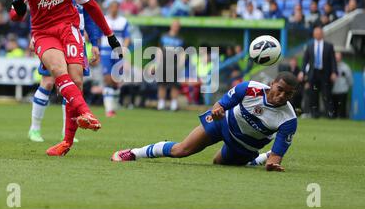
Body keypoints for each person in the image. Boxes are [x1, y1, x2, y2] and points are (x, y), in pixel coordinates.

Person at [9, 0, 122, 156]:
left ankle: (66, 142)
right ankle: (85, 114)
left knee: (77, 80)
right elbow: (14, 15)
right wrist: (19, 11)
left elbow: (91, 6)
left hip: (69, 29)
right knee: (57, 74)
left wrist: (108, 35)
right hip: (43, 33)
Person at [112, 72, 299, 172]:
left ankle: (258, 158)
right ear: (272, 83)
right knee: (181, 150)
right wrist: (218, 111)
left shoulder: (289, 119)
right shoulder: (249, 88)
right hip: (223, 124)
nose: (282, 96)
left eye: (288, 94)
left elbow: (277, 157)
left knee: (219, 163)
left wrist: (271, 164)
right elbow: (221, 104)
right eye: (279, 89)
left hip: (245, 146)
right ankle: (134, 153)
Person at [27, 0, 101, 143]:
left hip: (75, 36)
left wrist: (94, 41)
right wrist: (33, 36)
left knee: (75, 83)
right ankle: (34, 128)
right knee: (49, 82)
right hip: (52, 35)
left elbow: (91, 13)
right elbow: (37, 9)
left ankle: (66, 132)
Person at [99, 0, 131, 117]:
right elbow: (98, 35)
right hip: (106, 51)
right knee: (107, 78)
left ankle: (114, 106)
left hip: (118, 52)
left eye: (116, 7)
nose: (114, 9)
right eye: (112, 7)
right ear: (109, 8)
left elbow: (127, 37)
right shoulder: (103, 19)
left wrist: (124, 49)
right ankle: (109, 109)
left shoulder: (123, 22)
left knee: (116, 80)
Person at [298, 27, 337, 119]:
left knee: (326, 94)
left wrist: (334, 72)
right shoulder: (309, 45)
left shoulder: (329, 46)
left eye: (320, 33)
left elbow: (333, 60)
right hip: (313, 74)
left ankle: (329, 114)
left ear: (322, 34)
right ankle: (315, 114)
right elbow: (305, 61)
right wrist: (302, 72)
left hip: (325, 74)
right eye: (316, 33)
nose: (318, 35)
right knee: (313, 94)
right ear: (314, 34)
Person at [156, 19, 184, 111]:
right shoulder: (164, 37)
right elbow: (159, 50)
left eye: (177, 26)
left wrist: (180, 64)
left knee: (174, 85)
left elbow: (182, 53)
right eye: (174, 25)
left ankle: (174, 104)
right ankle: (161, 103)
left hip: (174, 65)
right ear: (171, 26)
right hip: (163, 63)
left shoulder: (180, 39)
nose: (176, 27)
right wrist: (157, 62)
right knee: (162, 84)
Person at [332, 52, 353, 118]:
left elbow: (350, 79)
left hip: (342, 91)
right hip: (333, 91)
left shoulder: (346, 67)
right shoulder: (330, 67)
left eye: (338, 57)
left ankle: (343, 120)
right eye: (335, 57)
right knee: (333, 110)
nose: (337, 59)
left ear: (341, 57)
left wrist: (347, 87)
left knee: (342, 110)